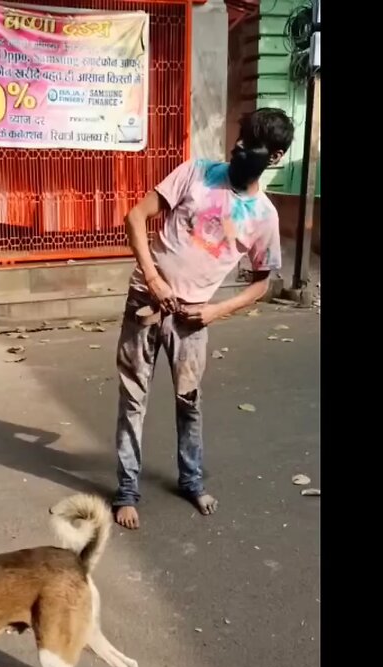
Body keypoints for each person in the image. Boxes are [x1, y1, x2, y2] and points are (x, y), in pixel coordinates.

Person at [112, 107, 296, 530]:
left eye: (251, 143)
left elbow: (260, 284)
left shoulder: (264, 217)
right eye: (240, 136)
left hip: (195, 319)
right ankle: (126, 491)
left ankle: (191, 480)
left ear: (275, 154)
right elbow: (135, 217)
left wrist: (215, 310)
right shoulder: (196, 172)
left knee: (188, 404)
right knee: (133, 399)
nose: (238, 146)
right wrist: (154, 278)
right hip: (146, 299)